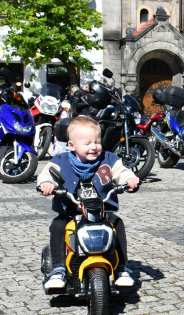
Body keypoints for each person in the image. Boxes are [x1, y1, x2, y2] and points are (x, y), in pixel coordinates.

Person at [37, 116, 139, 291]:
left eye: (97, 142)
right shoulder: (61, 161)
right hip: (71, 211)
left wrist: (129, 178)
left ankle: (122, 267)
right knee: (57, 226)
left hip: (101, 212)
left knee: (117, 223)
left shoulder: (108, 158)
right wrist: (47, 184)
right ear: (71, 145)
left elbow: (120, 171)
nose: (94, 147)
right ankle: (58, 269)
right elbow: (47, 174)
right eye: (87, 143)